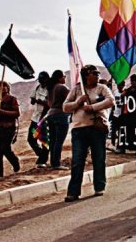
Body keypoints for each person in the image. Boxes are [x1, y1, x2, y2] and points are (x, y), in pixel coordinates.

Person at [63, 65, 114, 202]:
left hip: (97, 128)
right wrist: (78, 102)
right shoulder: (76, 90)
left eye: (98, 73)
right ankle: (73, 192)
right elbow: (65, 107)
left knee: (98, 158)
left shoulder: (102, 88)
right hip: (79, 129)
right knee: (77, 161)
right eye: (94, 73)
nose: (97, 76)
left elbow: (110, 101)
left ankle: (99, 186)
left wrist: (92, 107)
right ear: (86, 75)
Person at [0, 81, 21, 178]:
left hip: (9, 127)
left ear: (8, 88)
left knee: (5, 148)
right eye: (0, 86)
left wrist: (2, 112)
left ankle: (15, 162)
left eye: (5, 86)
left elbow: (16, 113)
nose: (2, 88)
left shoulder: (12, 99)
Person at [46, 70, 70, 170]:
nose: (65, 78)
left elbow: (48, 102)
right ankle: (56, 163)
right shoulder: (61, 87)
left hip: (51, 114)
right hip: (60, 114)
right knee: (59, 140)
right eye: (64, 76)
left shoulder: (51, 88)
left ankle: (53, 162)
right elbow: (70, 99)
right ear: (59, 78)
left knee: (53, 140)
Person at [28, 71, 50, 168]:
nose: (41, 82)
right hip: (35, 118)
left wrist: (42, 102)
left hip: (44, 118)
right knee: (31, 138)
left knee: (44, 140)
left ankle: (42, 160)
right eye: (40, 80)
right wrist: (34, 100)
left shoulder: (50, 89)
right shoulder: (37, 88)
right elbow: (32, 100)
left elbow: (50, 104)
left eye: (43, 80)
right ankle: (41, 154)